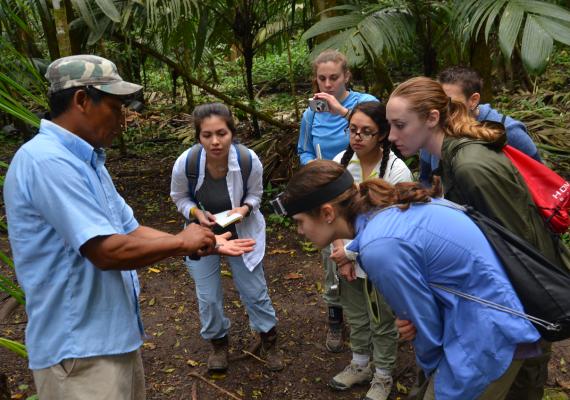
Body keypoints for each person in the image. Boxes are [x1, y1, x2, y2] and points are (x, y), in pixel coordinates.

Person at [3, 55, 255, 400]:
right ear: (81, 100)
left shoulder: (87, 161)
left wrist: (202, 240)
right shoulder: (48, 162)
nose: (123, 119)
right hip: (79, 353)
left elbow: (130, 230)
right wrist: (182, 242)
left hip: (110, 340)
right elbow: (106, 251)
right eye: (115, 106)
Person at [273, 160, 541, 400]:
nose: (299, 231)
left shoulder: (380, 247)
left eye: (300, 221)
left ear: (328, 213)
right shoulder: (387, 212)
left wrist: (430, 371)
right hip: (493, 319)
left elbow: (427, 334)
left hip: (485, 339)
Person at [386, 76, 569, 400]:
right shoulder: (453, 159)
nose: (392, 136)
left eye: (400, 125)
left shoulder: (472, 165)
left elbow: (520, 249)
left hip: (522, 312)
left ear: (432, 118)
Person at [170, 103, 283, 372]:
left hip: (241, 231)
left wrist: (243, 209)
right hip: (201, 234)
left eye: (221, 133)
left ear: (232, 132)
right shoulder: (186, 163)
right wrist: (196, 212)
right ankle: (219, 344)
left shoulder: (247, 160)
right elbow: (180, 197)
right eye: (207, 135)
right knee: (208, 296)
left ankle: (269, 339)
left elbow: (255, 195)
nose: (215, 141)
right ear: (198, 137)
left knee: (254, 290)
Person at [327, 102, 412, 400]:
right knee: (356, 313)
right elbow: (332, 212)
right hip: (342, 253)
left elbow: (396, 221)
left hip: (380, 258)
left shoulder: (396, 169)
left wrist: (353, 253)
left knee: (382, 317)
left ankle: (383, 376)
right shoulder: (340, 161)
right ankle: (360, 364)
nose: (358, 137)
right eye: (353, 130)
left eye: (366, 131)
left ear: (382, 135)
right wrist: (341, 253)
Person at [297, 49, 377, 352]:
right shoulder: (310, 114)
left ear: (347, 77)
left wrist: (340, 111)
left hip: (362, 192)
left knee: (365, 250)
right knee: (332, 256)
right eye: (322, 78)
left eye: (334, 77)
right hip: (327, 193)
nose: (328, 84)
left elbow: (377, 133)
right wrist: (314, 168)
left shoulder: (364, 104)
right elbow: (303, 149)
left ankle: (376, 317)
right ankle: (335, 317)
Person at [419, 66, 541, 185]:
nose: (440, 109)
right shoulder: (433, 129)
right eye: (437, 101)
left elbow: (540, 179)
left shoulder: (508, 131)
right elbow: (425, 179)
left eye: (448, 103)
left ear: (473, 100)